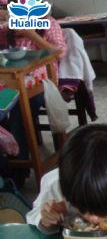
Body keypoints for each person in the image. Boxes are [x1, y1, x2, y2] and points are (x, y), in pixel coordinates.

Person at [0, 10, 67, 187]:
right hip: (13, 83)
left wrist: (31, 34)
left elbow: (59, 52)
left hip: (42, 83)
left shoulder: (48, 23)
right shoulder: (10, 27)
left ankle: (18, 171)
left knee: (21, 110)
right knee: (4, 111)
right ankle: (7, 164)